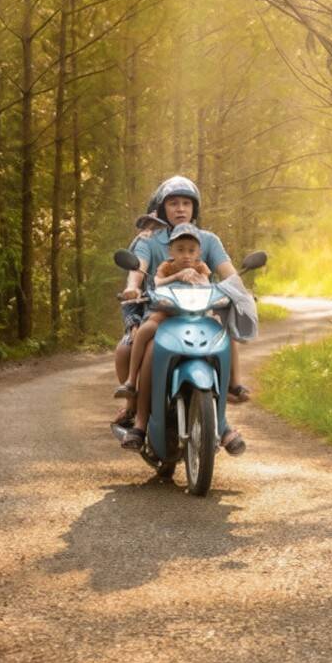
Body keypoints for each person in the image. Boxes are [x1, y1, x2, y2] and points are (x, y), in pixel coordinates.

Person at [113, 175, 247, 455]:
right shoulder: (148, 239)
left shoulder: (207, 240)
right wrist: (131, 288)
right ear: (162, 208)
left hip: (199, 312)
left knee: (224, 335)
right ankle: (139, 420)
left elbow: (228, 273)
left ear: (194, 208)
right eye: (173, 203)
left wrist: (242, 290)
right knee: (150, 349)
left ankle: (222, 419)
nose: (180, 209)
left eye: (186, 203)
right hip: (161, 312)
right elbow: (138, 270)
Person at [113, 223, 212, 413]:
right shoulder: (167, 266)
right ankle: (131, 381)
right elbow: (157, 284)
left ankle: (227, 389)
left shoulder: (201, 267)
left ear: (199, 252)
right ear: (171, 250)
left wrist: (198, 278)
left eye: (191, 250)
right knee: (146, 330)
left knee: (219, 330)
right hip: (166, 313)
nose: (186, 255)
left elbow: (208, 285)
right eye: (180, 250)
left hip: (195, 315)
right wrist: (178, 276)